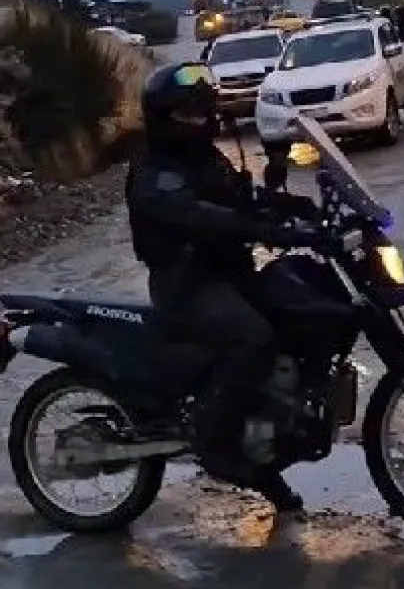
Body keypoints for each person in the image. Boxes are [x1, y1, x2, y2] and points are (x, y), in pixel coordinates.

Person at [125, 62, 323, 514]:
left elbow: (239, 196)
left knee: (294, 312)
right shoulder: (155, 171)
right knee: (254, 338)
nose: (202, 120)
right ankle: (215, 441)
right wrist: (255, 228)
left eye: (204, 111)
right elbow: (197, 215)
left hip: (228, 274)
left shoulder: (207, 159)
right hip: (187, 285)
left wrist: (296, 207)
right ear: (165, 119)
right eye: (190, 113)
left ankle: (270, 439)